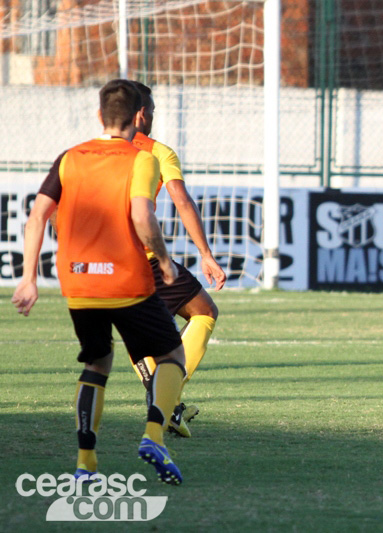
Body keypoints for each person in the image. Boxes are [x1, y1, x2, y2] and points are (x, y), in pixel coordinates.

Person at [12, 79, 187, 484]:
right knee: (172, 354)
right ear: (138, 117)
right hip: (126, 282)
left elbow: (37, 216)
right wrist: (164, 260)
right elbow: (143, 217)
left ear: (99, 116)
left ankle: (85, 465)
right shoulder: (141, 159)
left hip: (78, 285)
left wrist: (28, 279)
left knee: (97, 362)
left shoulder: (69, 158)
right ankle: (154, 436)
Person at [128, 81, 227, 438]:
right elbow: (182, 201)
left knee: (137, 331)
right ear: (141, 114)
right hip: (146, 258)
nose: (153, 117)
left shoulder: (88, 152)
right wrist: (206, 254)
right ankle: (167, 400)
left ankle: (167, 402)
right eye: (151, 111)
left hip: (102, 262)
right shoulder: (157, 152)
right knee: (205, 311)